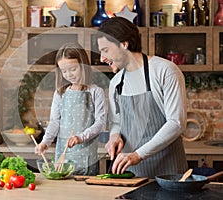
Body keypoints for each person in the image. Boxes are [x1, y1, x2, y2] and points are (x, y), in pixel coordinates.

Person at [96, 17, 188, 178]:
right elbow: (116, 122)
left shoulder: (165, 70)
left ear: (124, 44)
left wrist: (138, 155)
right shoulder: (116, 83)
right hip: (132, 174)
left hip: (168, 172)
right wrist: (114, 137)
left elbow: (176, 123)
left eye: (105, 50)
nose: (101, 58)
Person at [35, 43, 106, 175]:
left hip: (86, 155)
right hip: (63, 156)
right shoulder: (60, 93)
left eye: (73, 69)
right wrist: (45, 142)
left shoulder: (96, 91)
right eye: (64, 71)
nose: (69, 74)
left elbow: (100, 123)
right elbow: (55, 122)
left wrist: (81, 137)